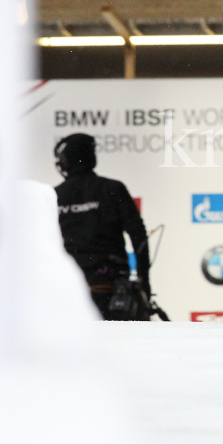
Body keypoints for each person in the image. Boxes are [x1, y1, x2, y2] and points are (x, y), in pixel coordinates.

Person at [53, 133, 151, 320]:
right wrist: (144, 282)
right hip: (112, 290)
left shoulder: (53, 196)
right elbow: (138, 236)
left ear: (64, 162)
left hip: (66, 293)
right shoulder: (113, 189)